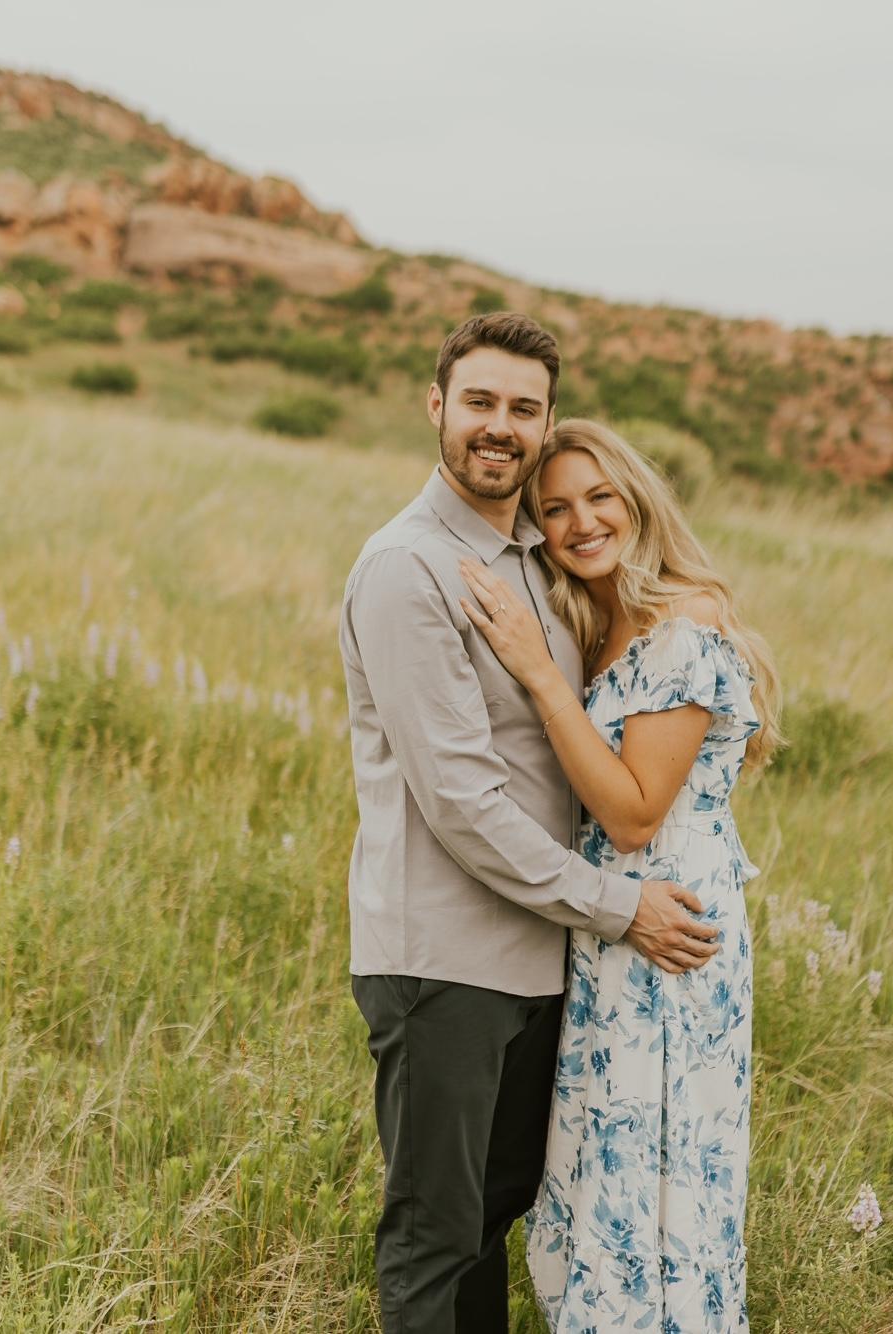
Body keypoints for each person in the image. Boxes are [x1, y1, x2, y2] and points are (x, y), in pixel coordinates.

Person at [339, 312, 722, 1333]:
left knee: (493, 1217)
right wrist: (620, 907)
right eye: (478, 402)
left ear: (546, 421)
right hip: (444, 961)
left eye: (522, 407)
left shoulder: (538, 561)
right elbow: (463, 805)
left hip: (540, 958)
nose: (498, 426)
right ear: (436, 406)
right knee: (434, 1234)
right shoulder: (407, 567)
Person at [457, 418, 784, 1331]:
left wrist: (538, 676)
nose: (582, 523)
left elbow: (636, 815)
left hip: (669, 932)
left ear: (638, 501)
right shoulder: (600, 625)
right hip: (610, 927)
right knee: (605, 1169)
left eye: (600, 497)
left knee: (661, 1179)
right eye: (556, 509)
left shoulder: (683, 626)